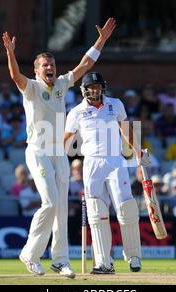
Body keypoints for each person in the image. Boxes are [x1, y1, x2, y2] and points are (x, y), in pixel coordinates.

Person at [2, 17, 116, 278]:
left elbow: (85, 64)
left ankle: (60, 259)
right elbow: (14, 76)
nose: (49, 67)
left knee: (61, 206)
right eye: (44, 65)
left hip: (59, 153)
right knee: (50, 201)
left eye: (52, 64)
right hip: (38, 151)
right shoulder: (31, 87)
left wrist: (102, 40)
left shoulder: (63, 84)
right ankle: (30, 254)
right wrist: (10, 53)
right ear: (37, 70)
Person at [64, 71, 150, 274]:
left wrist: (137, 151)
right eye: (91, 87)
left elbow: (126, 129)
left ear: (103, 87)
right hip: (91, 163)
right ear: (84, 90)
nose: (95, 90)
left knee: (126, 208)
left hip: (115, 161)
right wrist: (55, 156)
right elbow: (66, 139)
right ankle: (104, 262)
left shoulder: (115, 104)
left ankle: (133, 256)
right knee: (96, 213)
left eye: (98, 87)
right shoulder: (76, 112)